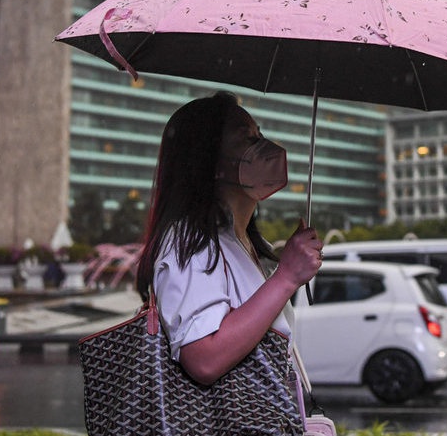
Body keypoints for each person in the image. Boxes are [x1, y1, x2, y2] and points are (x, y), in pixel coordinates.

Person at [135, 91, 323, 435]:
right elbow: (204, 357)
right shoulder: (190, 240)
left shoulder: (242, 244)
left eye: (260, 134)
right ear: (210, 161)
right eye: (247, 138)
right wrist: (285, 278)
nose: (264, 146)